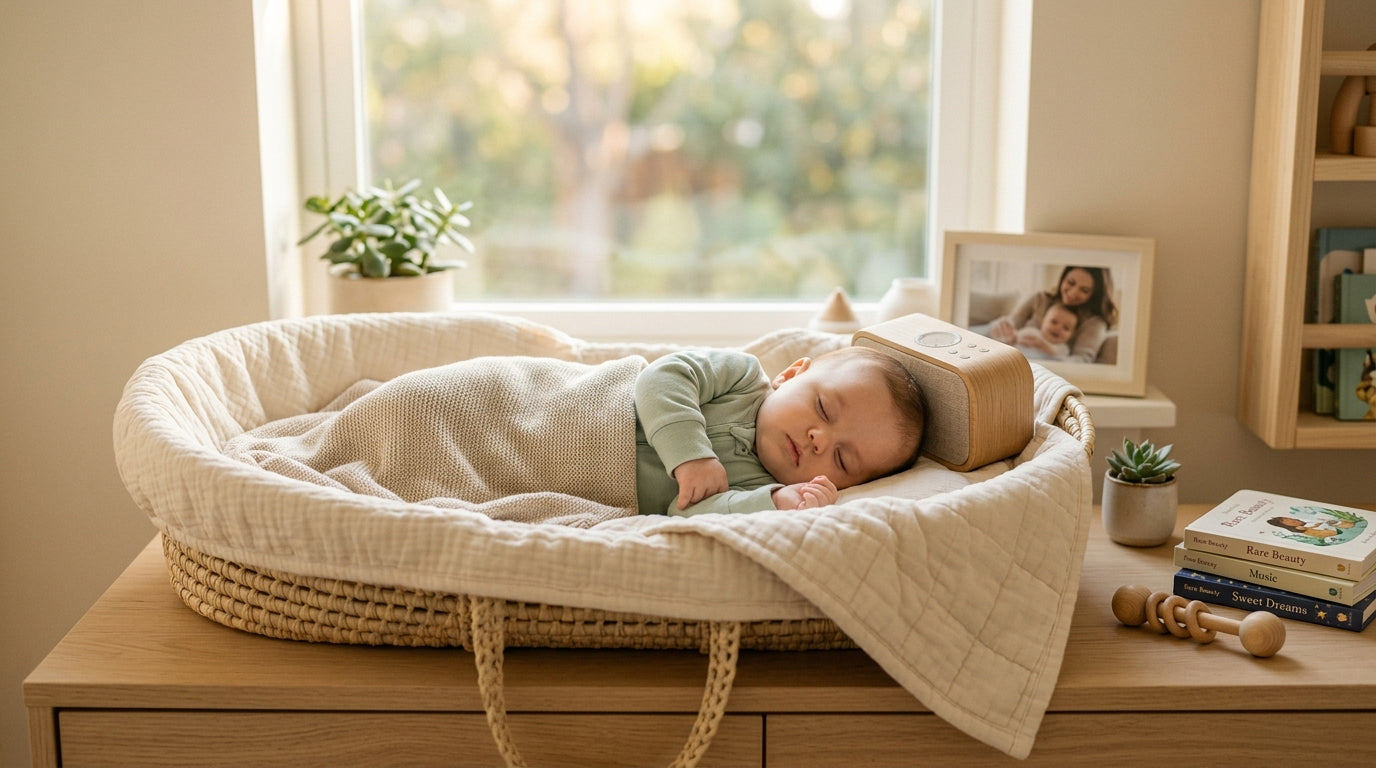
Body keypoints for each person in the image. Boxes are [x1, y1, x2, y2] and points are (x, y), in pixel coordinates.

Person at [635, 345, 926, 517]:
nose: (820, 440)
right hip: (599, 404)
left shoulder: (761, 489)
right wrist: (691, 456)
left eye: (842, 459)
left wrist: (774, 502)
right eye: (823, 408)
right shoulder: (741, 378)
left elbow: (684, 512)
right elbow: (660, 378)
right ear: (790, 375)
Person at [987, 266, 1118, 364]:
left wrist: (1046, 348)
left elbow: (1082, 361)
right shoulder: (1040, 298)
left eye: (1084, 290)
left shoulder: (1094, 323)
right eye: (1070, 283)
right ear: (1063, 279)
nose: (1072, 293)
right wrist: (1005, 331)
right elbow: (1013, 321)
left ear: (1094, 294)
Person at [996, 299, 1079, 360]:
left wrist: (1045, 348)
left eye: (1066, 328)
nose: (1058, 328)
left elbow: (1060, 361)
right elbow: (1012, 340)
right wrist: (1012, 339)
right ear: (1043, 322)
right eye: (1053, 322)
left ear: (1071, 334)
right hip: (1014, 361)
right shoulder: (1032, 332)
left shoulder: (1062, 349)